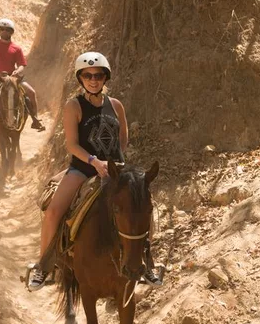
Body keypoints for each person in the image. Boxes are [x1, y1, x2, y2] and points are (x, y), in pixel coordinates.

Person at [28, 52, 162, 291]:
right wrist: (95, 162)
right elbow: (72, 144)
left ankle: (147, 263)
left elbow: (123, 138)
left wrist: (116, 163)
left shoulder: (116, 106)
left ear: (105, 77)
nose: (93, 79)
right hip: (82, 169)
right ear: (80, 78)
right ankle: (44, 267)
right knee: (53, 211)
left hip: (115, 171)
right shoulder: (74, 106)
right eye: (87, 75)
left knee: (141, 207)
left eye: (98, 75)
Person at [0, 18, 45, 138]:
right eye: (1, 29)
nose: (4, 31)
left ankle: (35, 119)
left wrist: (17, 71)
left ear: (11, 32)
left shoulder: (16, 48)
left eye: (7, 29)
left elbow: (21, 65)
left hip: (12, 77)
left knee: (31, 92)